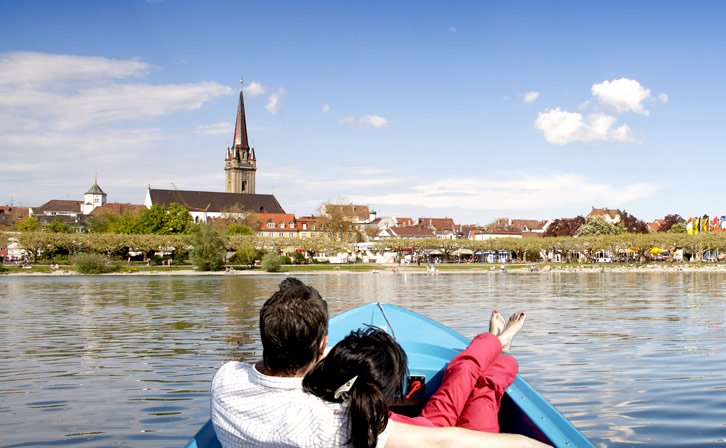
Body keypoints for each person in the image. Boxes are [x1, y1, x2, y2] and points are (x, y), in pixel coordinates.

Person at [211, 278, 549, 448]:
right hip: (430, 437)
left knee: (447, 411)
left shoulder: (226, 379)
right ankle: (497, 351)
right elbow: (444, 441)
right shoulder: (332, 422)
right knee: (455, 414)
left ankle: (496, 351)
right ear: (323, 347)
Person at [304, 310, 525, 441]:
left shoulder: (308, 409)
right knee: (481, 380)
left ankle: (497, 345)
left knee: (484, 382)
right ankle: (497, 345)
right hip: (429, 431)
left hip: (426, 428)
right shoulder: (392, 429)